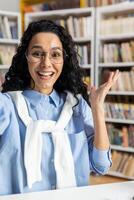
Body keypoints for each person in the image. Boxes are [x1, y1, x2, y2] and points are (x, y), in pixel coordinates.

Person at [0, 19, 119, 195]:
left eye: (55, 54)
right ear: (26, 57)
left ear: (64, 59)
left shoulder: (78, 107)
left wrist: (97, 109)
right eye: (37, 54)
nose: (46, 63)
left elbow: (101, 166)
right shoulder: (7, 105)